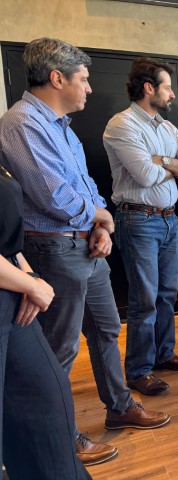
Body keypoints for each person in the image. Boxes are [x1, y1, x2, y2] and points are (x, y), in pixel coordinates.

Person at [0, 37, 170, 468]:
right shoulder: (22, 123)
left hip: (86, 244)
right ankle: (61, 436)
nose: (90, 88)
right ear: (57, 78)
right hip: (54, 248)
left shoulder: (60, 125)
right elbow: (52, 195)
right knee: (58, 350)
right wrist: (102, 217)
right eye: (84, 79)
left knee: (107, 329)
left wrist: (101, 224)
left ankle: (119, 406)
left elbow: (87, 184)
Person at [103, 57, 178, 396]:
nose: (172, 94)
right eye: (167, 87)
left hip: (169, 219)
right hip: (138, 220)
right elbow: (144, 175)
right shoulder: (123, 124)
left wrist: (164, 161)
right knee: (144, 299)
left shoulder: (167, 128)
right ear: (149, 88)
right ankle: (138, 370)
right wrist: (174, 166)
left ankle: (163, 353)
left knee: (166, 295)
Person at [0, 165, 92, 479]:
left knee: (46, 401)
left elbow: (8, 242)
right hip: (14, 287)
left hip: (12, 292)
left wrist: (29, 276)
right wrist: (29, 284)